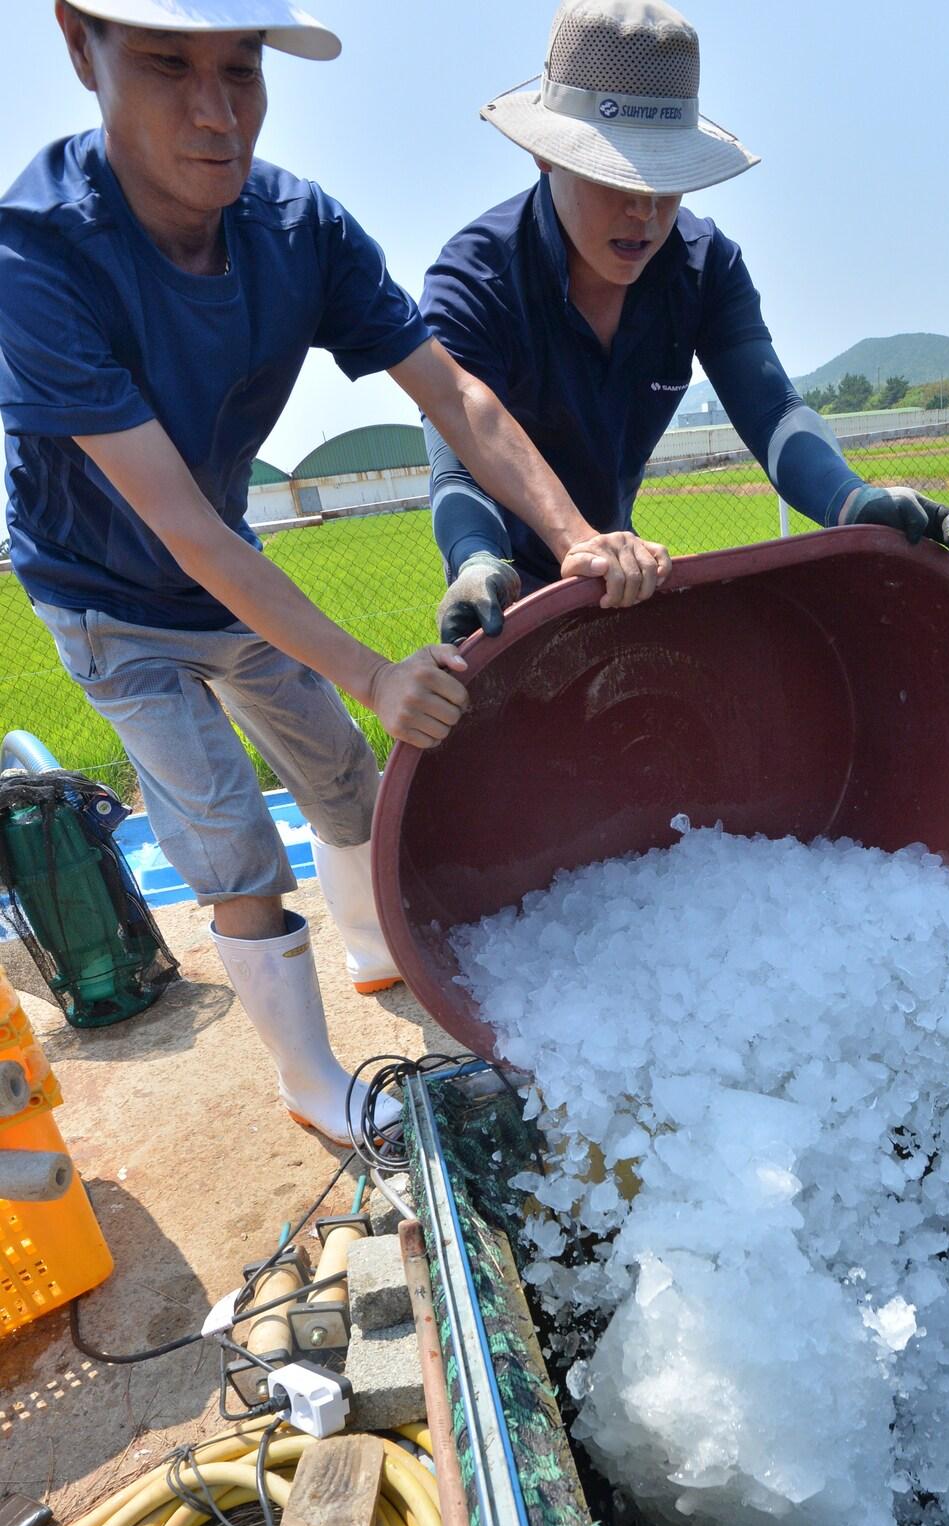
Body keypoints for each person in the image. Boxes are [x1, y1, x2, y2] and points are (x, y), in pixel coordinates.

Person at [0, 0, 670, 1144]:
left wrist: (573, 538)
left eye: (242, 70)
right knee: (230, 839)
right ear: (80, 47)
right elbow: (180, 533)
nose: (216, 114)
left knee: (345, 777)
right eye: (168, 66)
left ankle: (373, 956)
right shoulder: (39, 257)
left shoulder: (297, 228)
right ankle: (311, 1083)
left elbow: (454, 395)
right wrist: (371, 668)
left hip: (231, 569)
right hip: (110, 595)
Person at [422, 0, 949, 647]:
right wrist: (477, 561)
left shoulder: (704, 267)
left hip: (609, 575)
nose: (644, 212)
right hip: (505, 602)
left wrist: (852, 502)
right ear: (546, 156)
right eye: (613, 175)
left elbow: (774, 415)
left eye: (666, 180)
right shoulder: (476, 281)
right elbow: (457, 461)